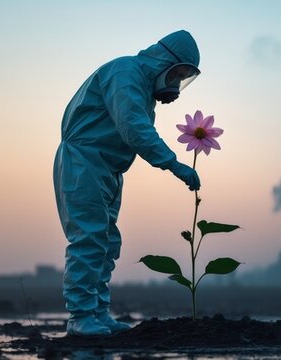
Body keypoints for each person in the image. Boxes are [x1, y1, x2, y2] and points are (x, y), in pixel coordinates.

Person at [53, 30, 202, 336]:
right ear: (163, 61)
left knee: (107, 242)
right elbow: (134, 128)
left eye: (182, 78)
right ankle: (80, 316)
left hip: (108, 169)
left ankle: (97, 311)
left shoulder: (143, 90)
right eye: (175, 75)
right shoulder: (125, 74)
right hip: (84, 162)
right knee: (90, 238)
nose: (175, 84)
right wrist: (174, 164)